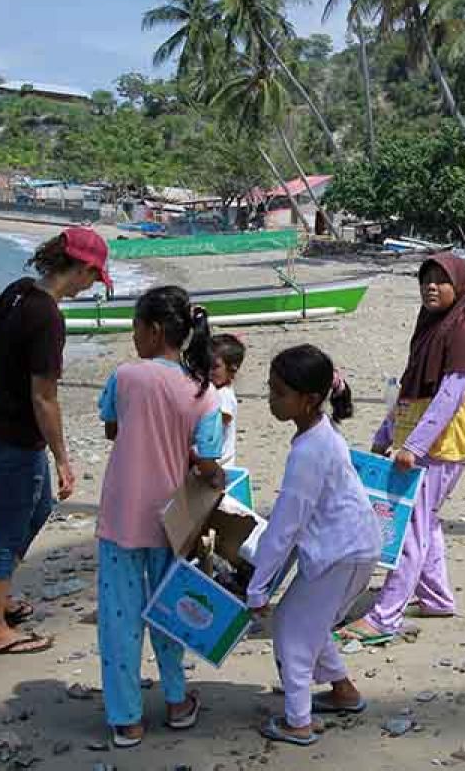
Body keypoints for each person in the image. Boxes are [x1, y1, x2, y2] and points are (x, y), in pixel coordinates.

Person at [0, 226, 111, 655]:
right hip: (14, 437)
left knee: (39, 505)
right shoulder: (47, 316)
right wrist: (63, 458)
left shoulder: (19, 291)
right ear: (81, 268)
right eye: (94, 278)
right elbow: (43, 397)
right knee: (8, 531)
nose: (92, 286)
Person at [95, 286, 225, 748]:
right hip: (174, 520)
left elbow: (113, 426)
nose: (133, 336)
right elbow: (208, 461)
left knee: (119, 619)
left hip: (120, 515)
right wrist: (212, 475)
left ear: (152, 331)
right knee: (169, 612)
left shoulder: (126, 375)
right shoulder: (202, 391)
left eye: (134, 327)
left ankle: (127, 717)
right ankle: (176, 699)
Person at [337, 254, 465, 644]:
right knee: (426, 521)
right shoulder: (430, 328)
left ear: (460, 286)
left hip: (440, 449)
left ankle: (385, 617)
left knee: (407, 531)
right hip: (414, 442)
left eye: (441, 280)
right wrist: (387, 432)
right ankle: (436, 597)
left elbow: (449, 399)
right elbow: (409, 389)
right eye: (426, 280)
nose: (431, 287)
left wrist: (415, 447)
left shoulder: (464, 334)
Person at [249, 344, 382, 747]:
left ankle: (298, 721)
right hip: (354, 546)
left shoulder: (309, 451)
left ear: (308, 400)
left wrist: (257, 586)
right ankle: (343, 691)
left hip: (339, 553)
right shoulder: (321, 434)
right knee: (313, 621)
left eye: (278, 393)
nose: (271, 399)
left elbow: (286, 525)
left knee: (291, 630)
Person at [210, 333, 246, 469]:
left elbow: (216, 424)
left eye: (215, 367)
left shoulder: (223, 395)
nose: (209, 371)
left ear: (232, 369)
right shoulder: (214, 391)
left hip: (220, 466)